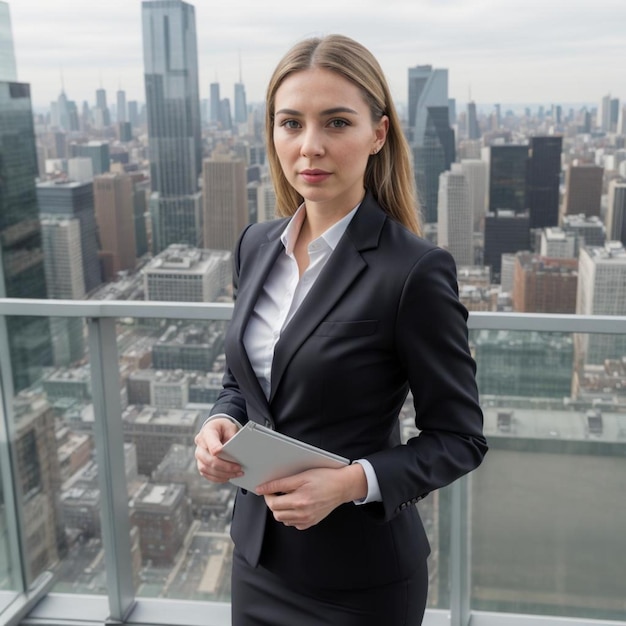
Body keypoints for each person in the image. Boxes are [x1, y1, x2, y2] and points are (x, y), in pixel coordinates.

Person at [194, 34, 487, 626]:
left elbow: (460, 439)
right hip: (257, 559)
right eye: (290, 123)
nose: (310, 146)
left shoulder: (413, 272)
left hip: (360, 583)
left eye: (336, 122)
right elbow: (245, 381)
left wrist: (350, 483)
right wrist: (219, 420)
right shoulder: (255, 246)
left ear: (378, 134)